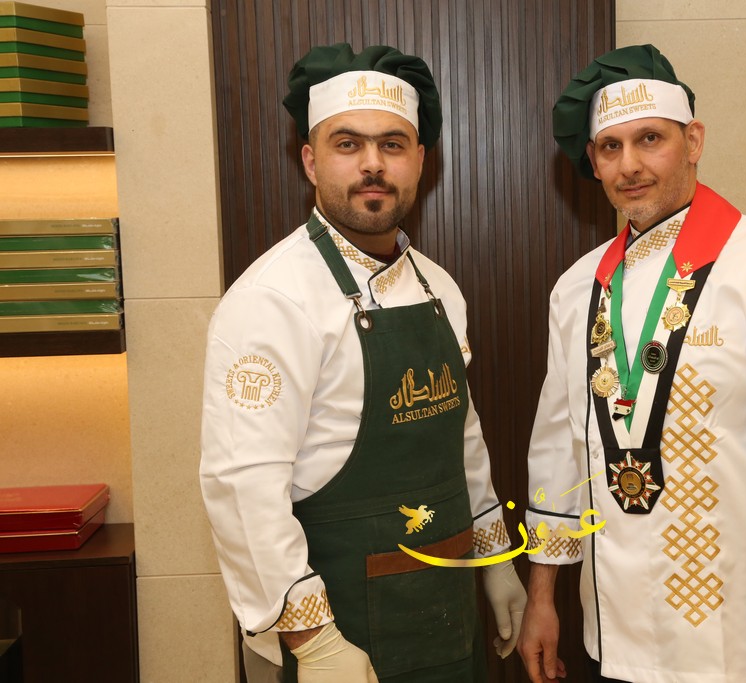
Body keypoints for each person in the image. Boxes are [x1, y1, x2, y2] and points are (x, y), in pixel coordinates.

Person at [517, 45, 746, 682]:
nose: (630, 165)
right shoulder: (576, 290)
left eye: (650, 139)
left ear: (694, 141)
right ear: (594, 162)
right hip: (616, 642)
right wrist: (542, 597)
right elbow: (556, 451)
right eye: (610, 147)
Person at [200, 42, 526, 683]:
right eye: (347, 144)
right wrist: (315, 642)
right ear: (310, 160)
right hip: (341, 626)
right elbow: (242, 487)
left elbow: (462, 439)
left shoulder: (439, 287)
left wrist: (495, 559)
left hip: (448, 609)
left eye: (392, 144)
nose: (372, 164)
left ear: (420, 161)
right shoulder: (271, 301)